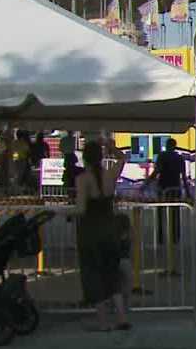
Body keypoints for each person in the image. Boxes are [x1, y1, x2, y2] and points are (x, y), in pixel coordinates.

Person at [73, 141, 130, 332]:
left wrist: (62, 211)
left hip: (90, 231)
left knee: (93, 275)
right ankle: (122, 317)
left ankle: (104, 322)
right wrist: (110, 145)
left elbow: (81, 209)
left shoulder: (83, 179)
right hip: (109, 229)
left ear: (84, 158)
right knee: (112, 274)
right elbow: (123, 158)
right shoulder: (110, 174)